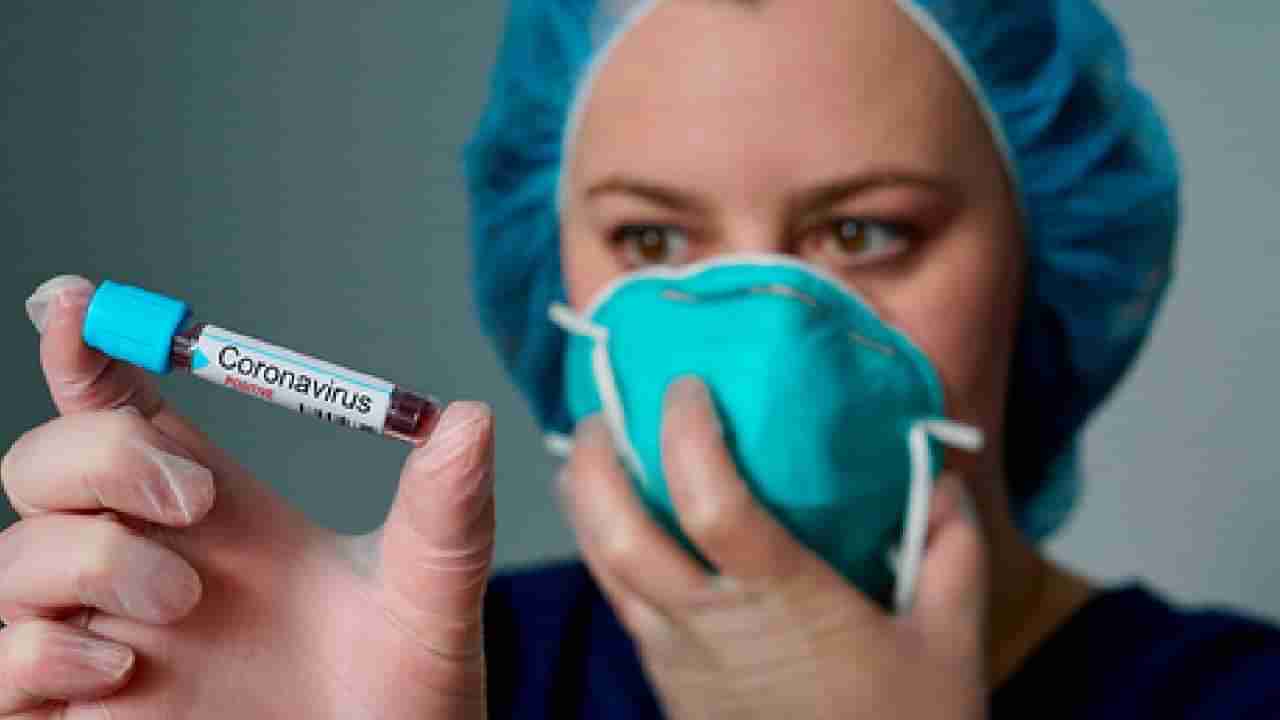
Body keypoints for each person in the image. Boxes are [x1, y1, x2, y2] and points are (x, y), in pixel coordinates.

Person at [2, 0, 1277, 718]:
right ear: (552, 269)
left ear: (1044, 257)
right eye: (653, 240)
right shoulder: (425, 667)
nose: (757, 328)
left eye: (860, 231)